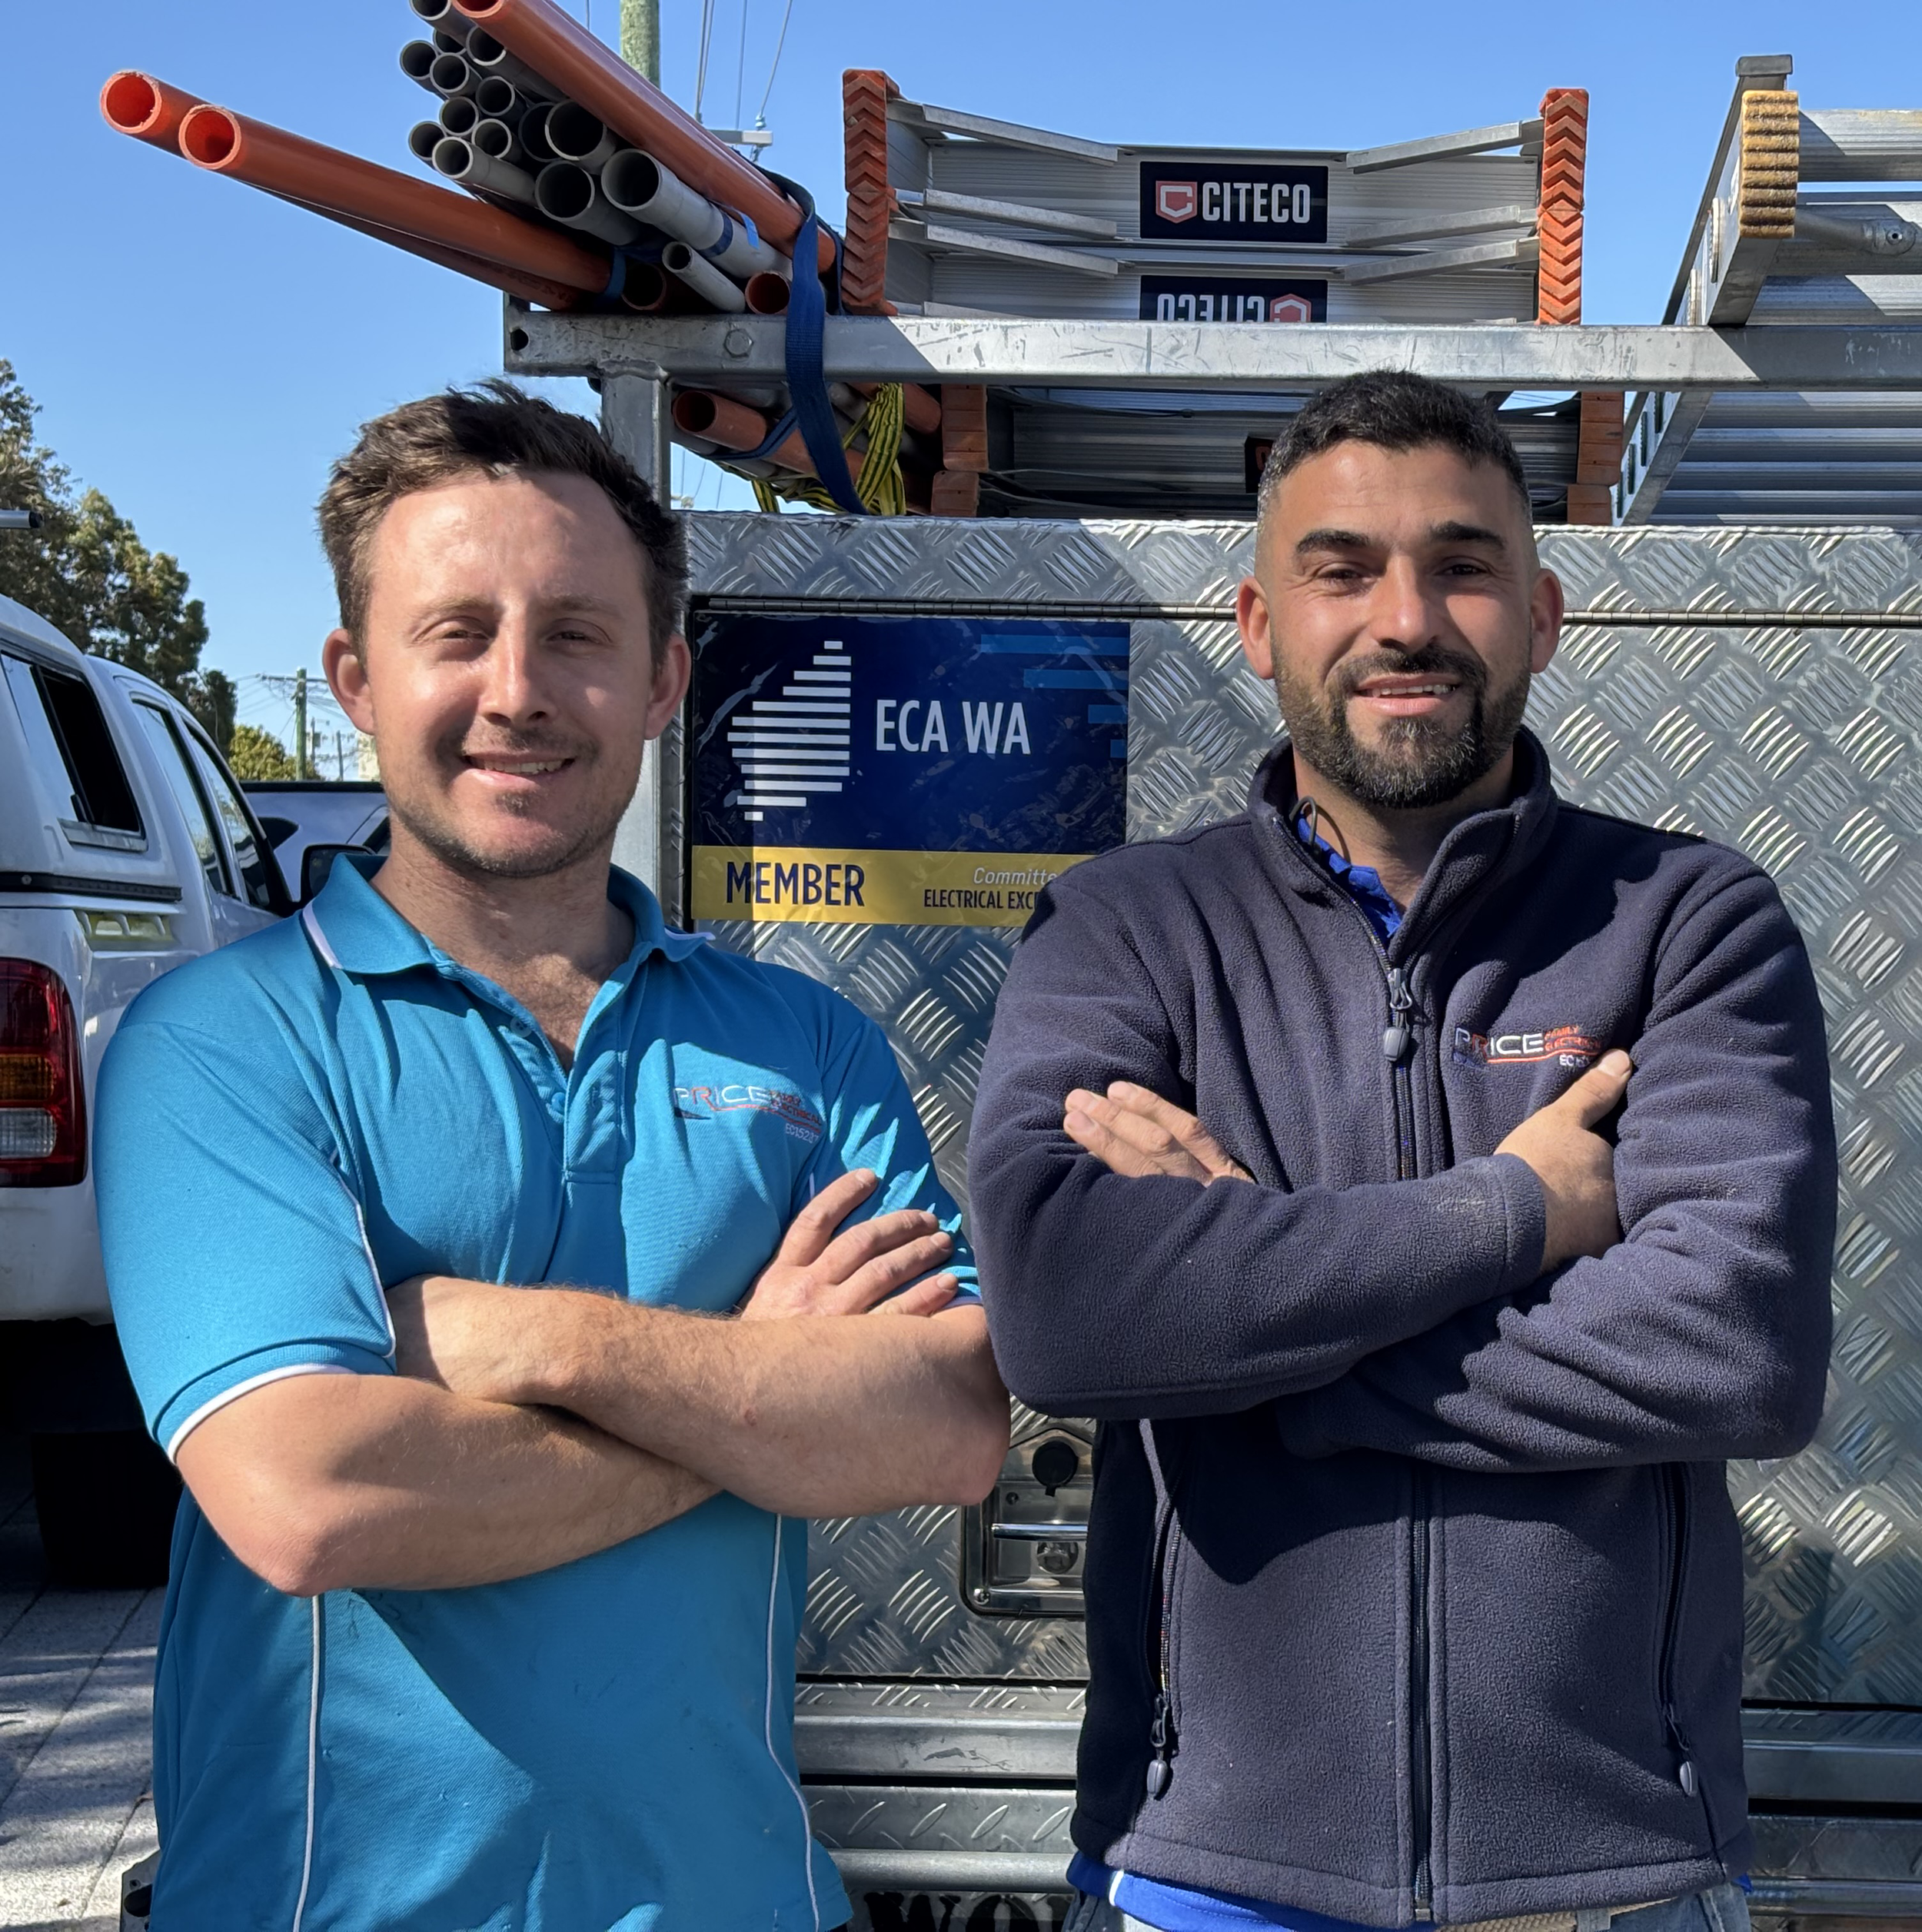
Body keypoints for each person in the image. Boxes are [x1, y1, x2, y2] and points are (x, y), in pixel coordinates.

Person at [95, 382, 1008, 1931]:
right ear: (354, 677)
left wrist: (514, 1333)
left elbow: (943, 1422)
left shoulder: (802, 1042)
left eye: (576, 633)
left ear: (661, 680)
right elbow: (310, 1494)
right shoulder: (228, 1038)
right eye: (456, 631)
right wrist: (755, 1392)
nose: (517, 689)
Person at [969, 371, 1834, 1932]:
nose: (1405, 615)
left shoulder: (1688, 922)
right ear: (1254, 621)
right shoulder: (1127, 927)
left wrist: (1254, 1343)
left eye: (1459, 563)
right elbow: (1062, 1311)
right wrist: (1515, 1210)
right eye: (1339, 567)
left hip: (1612, 1866)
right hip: (1204, 1863)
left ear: (1541, 610)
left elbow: (1733, 1348)